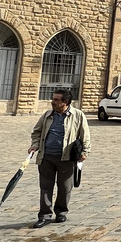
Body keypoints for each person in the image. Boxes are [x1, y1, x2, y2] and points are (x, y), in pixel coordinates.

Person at [29, 88, 92, 228]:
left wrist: (85, 152)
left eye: (57, 100)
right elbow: (37, 132)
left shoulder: (78, 115)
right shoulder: (47, 115)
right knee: (45, 187)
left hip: (67, 158)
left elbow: (85, 135)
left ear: (66, 102)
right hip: (46, 157)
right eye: (53, 99)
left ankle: (61, 212)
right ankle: (44, 215)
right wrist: (35, 145)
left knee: (65, 187)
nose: (53, 102)